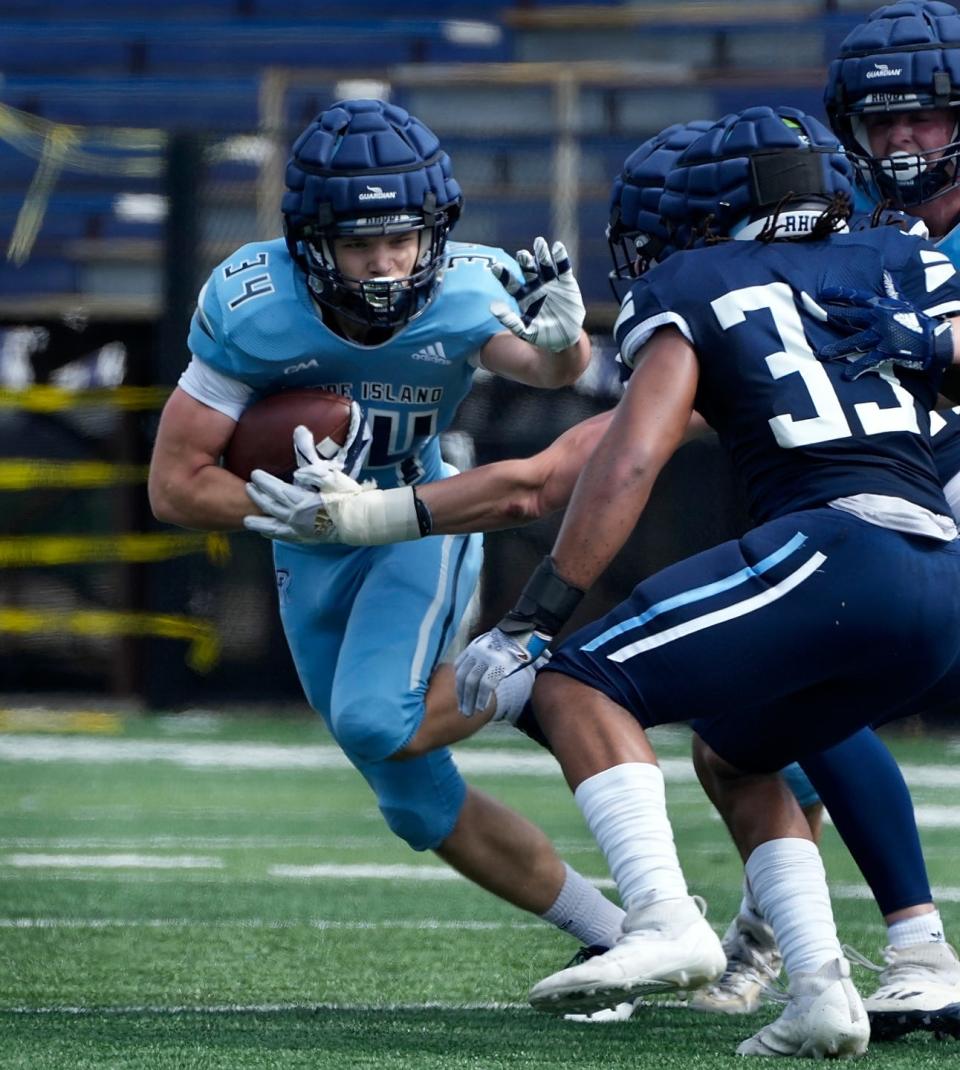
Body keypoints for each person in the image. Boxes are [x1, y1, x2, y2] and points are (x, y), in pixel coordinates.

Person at [274, 112, 960, 1040]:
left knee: (575, 682)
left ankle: (664, 922)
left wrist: (536, 615)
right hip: (941, 573)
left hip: (841, 549)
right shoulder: (898, 263)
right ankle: (820, 992)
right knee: (736, 750)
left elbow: (621, 463)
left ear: (714, 216)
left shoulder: (695, 283)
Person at [146, 98, 640, 964]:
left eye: (402, 240)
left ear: (436, 231)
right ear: (310, 243)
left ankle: (546, 674)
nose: (384, 266)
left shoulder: (465, 287)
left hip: (419, 515)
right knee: (410, 795)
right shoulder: (254, 304)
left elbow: (546, 368)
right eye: (359, 244)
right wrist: (289, 512)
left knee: (376, 720)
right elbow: (175, 485)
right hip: (306, 539)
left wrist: (566, 346)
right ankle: (617, 938)